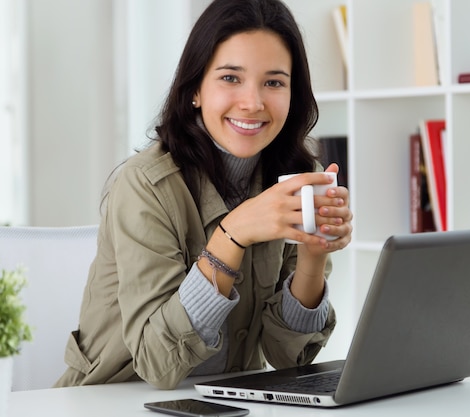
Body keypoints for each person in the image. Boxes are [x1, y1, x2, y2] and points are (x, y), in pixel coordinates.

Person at [54, 0, 352, 390]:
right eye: (231, 78)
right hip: (113, 400)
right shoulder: (144, 185)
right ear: (195, 88)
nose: (253, 102)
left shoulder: (297, 180)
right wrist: (233, 234)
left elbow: (286, 358)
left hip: (229, 403)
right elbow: (158, 365)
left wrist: (313, 258)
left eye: (274, 82)